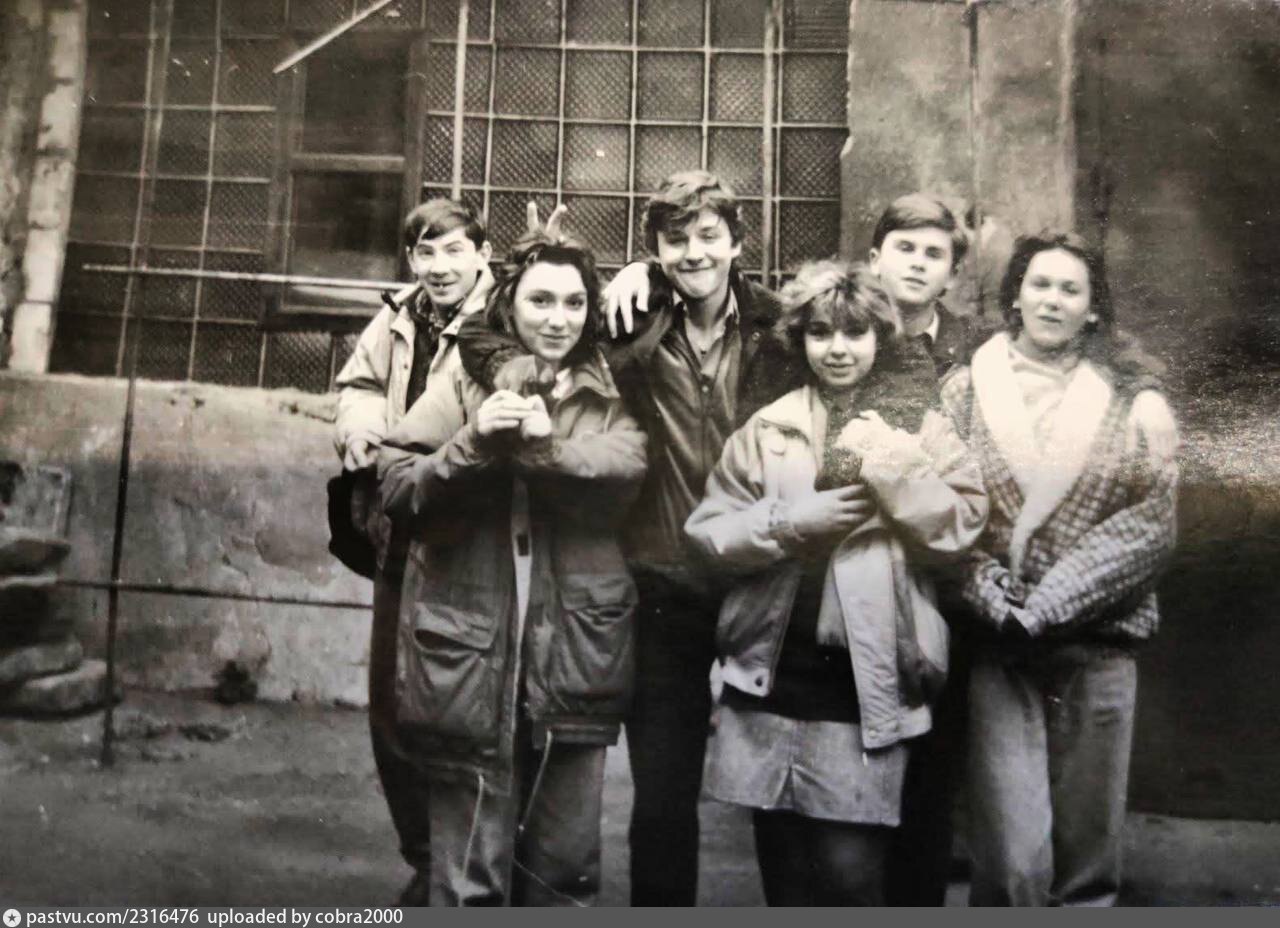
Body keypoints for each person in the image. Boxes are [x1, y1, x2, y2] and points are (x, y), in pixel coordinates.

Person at [456, 171, 792, 905]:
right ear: (655, 248)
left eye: (709, 236)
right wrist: (522, 368)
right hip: (664, 578)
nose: (694, 252)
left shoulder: (779, 323)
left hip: (761, 582)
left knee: (778, 792)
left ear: (739, 243)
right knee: (664, 798)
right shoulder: (634, 314)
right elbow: (482, 329)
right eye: (676, 239)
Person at [684, 261, 988, 905]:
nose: (838, 349)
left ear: (880, 337)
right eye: (820, 333)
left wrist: (892, 466)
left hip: (864, 681)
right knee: (784, 873)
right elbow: (708, 537)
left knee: (850, 876)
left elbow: (963, 525)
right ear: (800, 342)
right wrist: (791, 522)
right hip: (769, 674)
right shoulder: (768, 428)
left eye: (855, 333)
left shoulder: (918, 426)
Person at [376, 230, 647, 906]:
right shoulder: (463, 381)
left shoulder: (608, 384)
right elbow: (398, 484)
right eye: (540, 300)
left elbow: (629, 468)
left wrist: (546, 450)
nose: (559, 319)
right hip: (469, 650)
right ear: (509, 303)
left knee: (563, 870)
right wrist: (475, 440)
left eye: (575, 303)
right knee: (470, 874)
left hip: (577, 647)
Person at [939, 231, 1180, 906]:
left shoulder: (1132, 400)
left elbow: (1150, 524)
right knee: (1009, 859)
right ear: (1015, 295)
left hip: (1098, 643)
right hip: (1000, 642)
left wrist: (1048, 607)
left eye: (1071, 289)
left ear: (1093, 308)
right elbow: (938, 510)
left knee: (1087, 863)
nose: (1052, 300)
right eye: (1039, 284)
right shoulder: (964, 390)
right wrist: (995, 598)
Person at [332, 198, 494, 904]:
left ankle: (469, 867)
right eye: (426, 252)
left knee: (457, 700)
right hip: (398, 526)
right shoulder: (399, 315)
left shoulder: (504, 316)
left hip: (468, 533)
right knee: (390, 700)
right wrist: (361, 427)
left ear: (483, 254)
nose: (440, 266)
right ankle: (425, 858)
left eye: (455, 250)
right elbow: (361, 383)